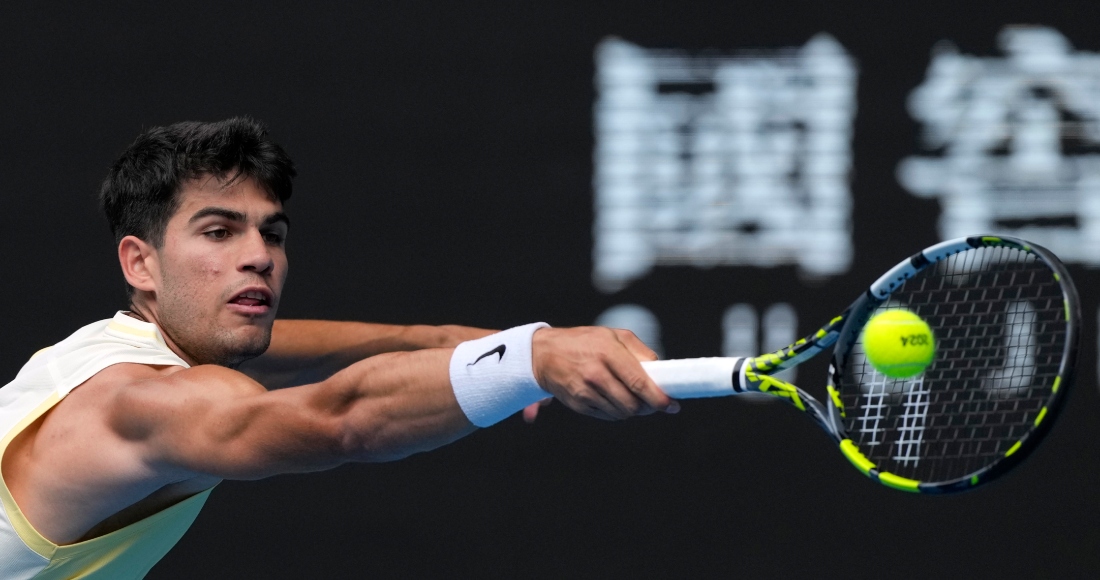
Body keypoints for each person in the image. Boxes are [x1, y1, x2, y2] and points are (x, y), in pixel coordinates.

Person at [0, 117, 679, 578]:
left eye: (273, 234)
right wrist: (529, 359)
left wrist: (446, 340)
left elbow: (292, 349)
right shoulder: (148, 403)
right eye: (218, 232)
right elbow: (339, 420)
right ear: (140, 263)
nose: (258, 258)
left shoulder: (127, 346)